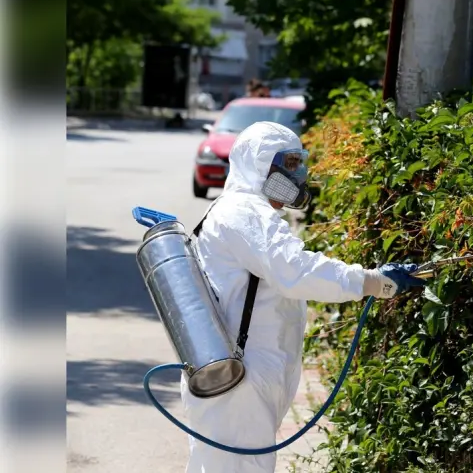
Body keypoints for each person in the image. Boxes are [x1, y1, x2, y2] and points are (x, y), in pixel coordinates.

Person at [181, 121, 426, 473]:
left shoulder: (236, 211)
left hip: (230, 378)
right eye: (290, 165)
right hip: (237, 384)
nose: (298, 176)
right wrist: (370, 282)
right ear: (261, 165)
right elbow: (296, 271)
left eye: (299, 164)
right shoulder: (245, 212)